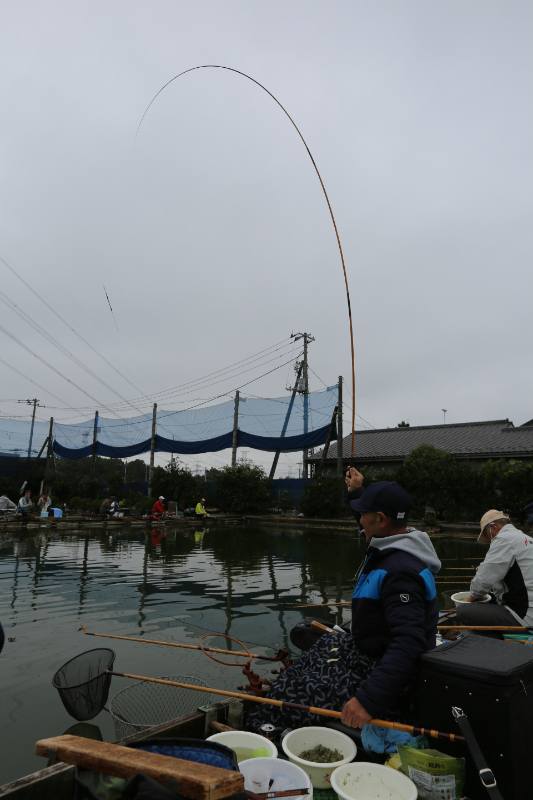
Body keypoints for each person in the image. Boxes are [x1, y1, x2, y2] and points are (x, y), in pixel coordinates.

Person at [247, 468, 441, 733]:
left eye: (363, 514)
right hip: (367, 650)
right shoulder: (396, 540)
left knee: (285, 700)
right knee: (317, 651)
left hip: (382, 672)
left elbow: (409, 643)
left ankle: (269, 728)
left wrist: (368, 700)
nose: (359, 520)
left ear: (380, 519)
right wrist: (357, 491)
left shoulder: (400, 573)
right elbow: (368, 522)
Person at [457, 509, 533, 631]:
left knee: (463, 611)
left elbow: (484, 578)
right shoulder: (527, 539)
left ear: (493, 527)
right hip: (526, 605)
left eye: (486, 535)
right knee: (489, 597)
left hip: (523, 616)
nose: (489, 541)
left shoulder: (504, 539)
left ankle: (497, 640)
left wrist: (471, 599)